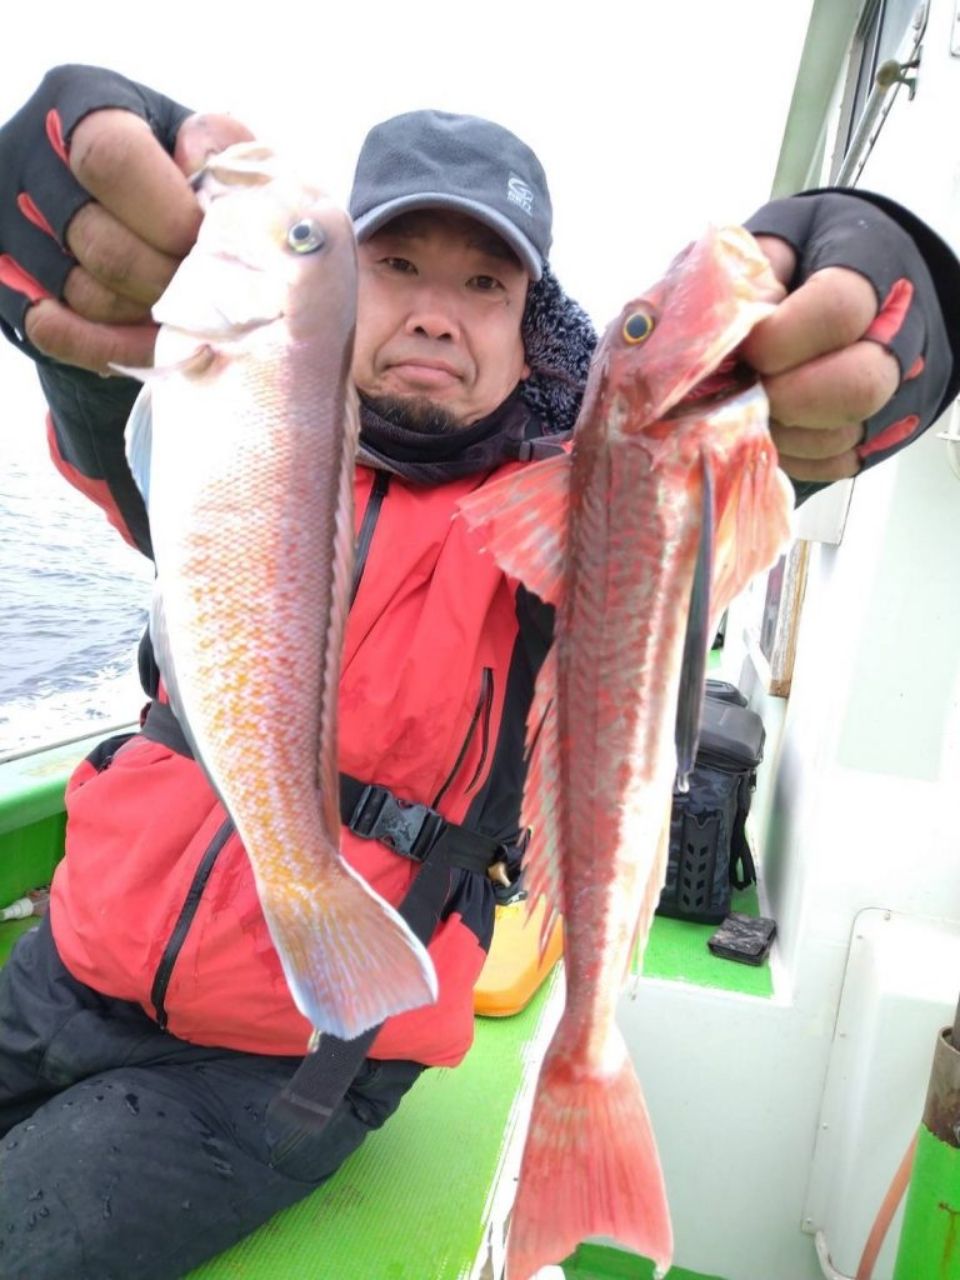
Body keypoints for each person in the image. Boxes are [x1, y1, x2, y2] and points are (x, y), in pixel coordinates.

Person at [0, 64, 957, 1280]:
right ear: (342, 287)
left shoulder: (573, 510)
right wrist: (58, 310)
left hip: (279, 1064)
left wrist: (897, 285)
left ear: (529, 320)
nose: (439, 312)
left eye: (485, 283)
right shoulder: (235, 434)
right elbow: (104, 408)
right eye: (397, 267)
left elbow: (724, 474)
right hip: (63, 959)